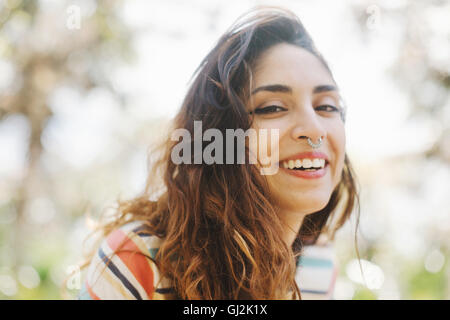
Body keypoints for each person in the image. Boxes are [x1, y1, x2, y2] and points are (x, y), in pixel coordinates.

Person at [76, 6, 359, 300]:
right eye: (272, 107)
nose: (314, 130)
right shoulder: (138, 262)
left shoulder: (319, 266)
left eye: (326, 106)